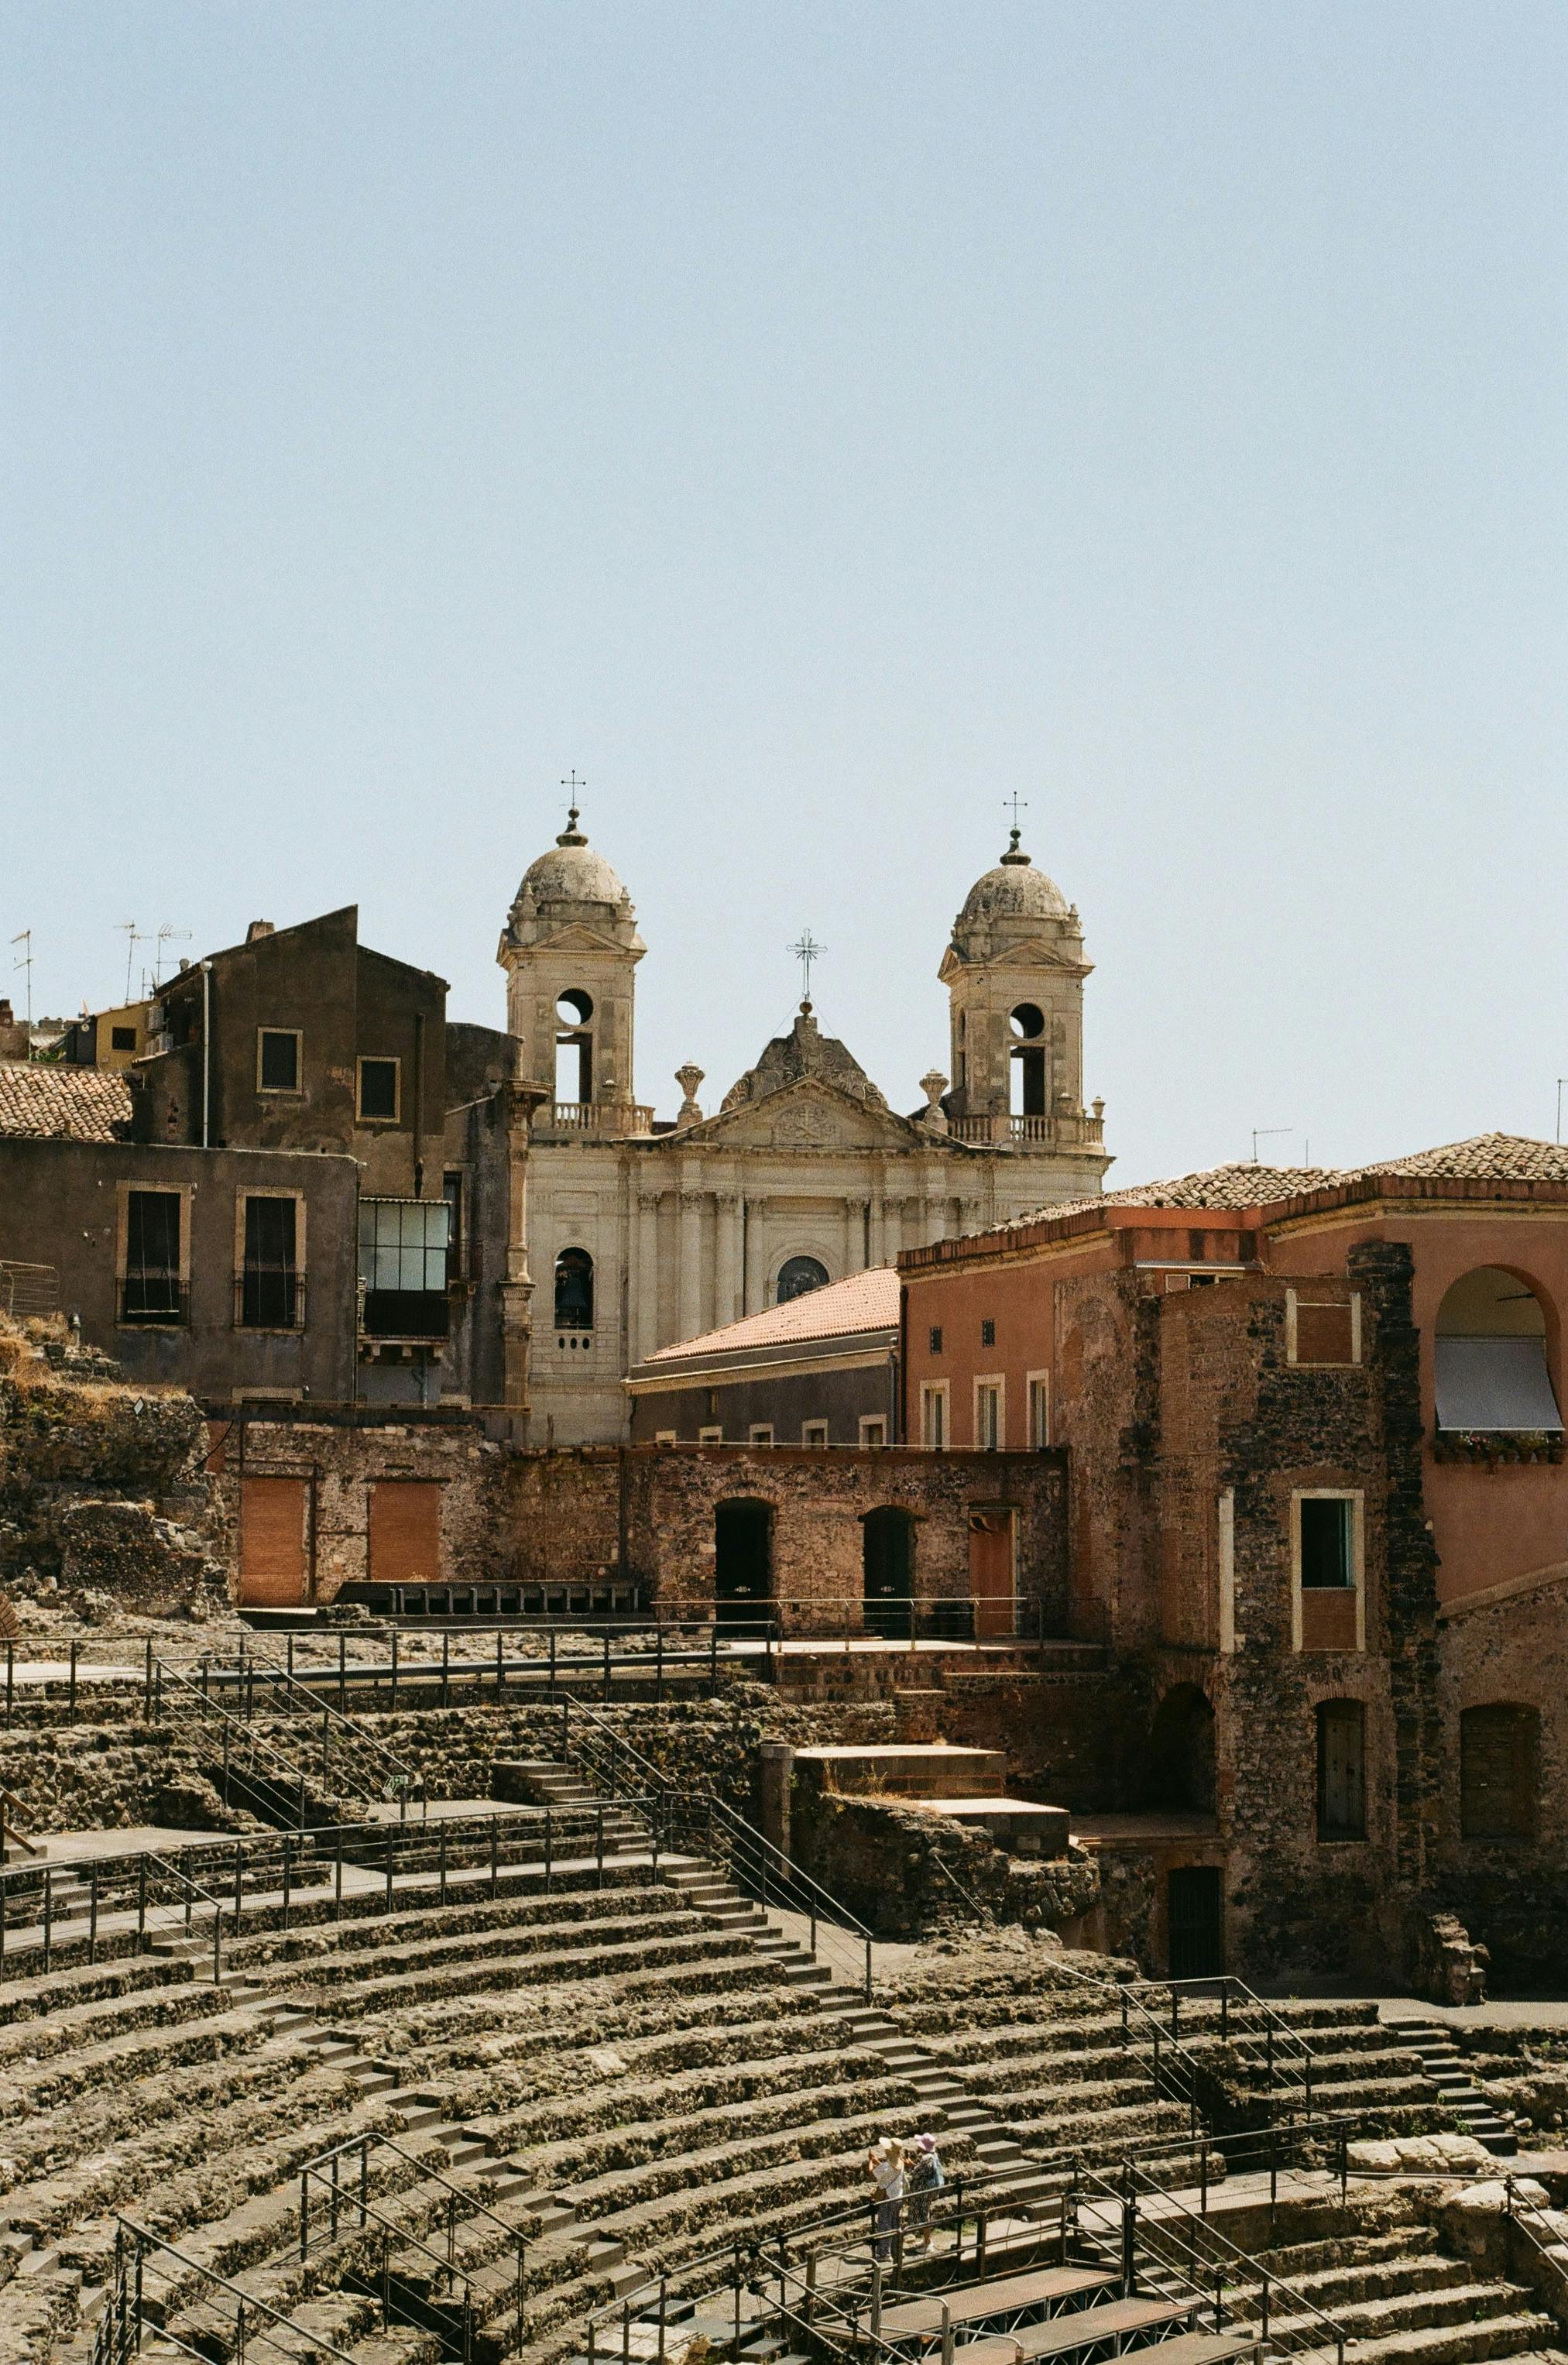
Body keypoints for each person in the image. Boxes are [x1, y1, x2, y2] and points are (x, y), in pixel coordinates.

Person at [866, 2133, 905, 2262]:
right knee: (895, 2223)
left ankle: (884, 2253)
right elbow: (885, 2169)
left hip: (887, 2197)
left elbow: (873, 2174)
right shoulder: (901, 2162)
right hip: (898, 2196)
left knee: (884, 2224)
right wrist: (877, 2161)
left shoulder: (887, 2166)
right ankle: (898, 2250)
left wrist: (871, 2162)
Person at [905, 2132, 945, 2250]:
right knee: (924, 2214)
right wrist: (912, 2165)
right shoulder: (933, 2156)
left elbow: (915, 2174)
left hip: (923, 2192)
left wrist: (908, 2167)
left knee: (923, 2216)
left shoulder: (926, 2159)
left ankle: (928, 2243)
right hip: (927, 2191)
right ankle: (926, 2240)